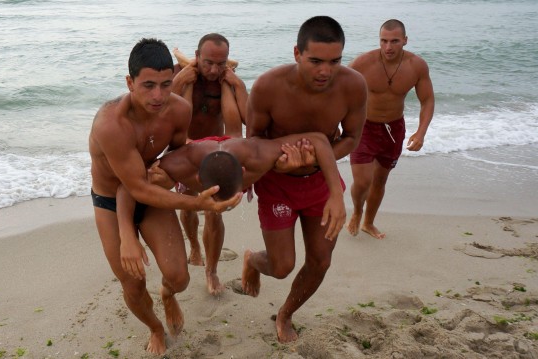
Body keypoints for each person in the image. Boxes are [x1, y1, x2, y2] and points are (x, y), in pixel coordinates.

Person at [88, 38, 242, 355]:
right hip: (110, 200)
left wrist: (207, 180)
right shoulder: (111, 125)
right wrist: (196, 203)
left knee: (179, 277)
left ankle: (168, 296)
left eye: (165, 85)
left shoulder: (178, 110)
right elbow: (133, 188)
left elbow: (175, 161)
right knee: (132, 283)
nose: (158, 96)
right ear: (129, 82)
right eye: (147, 86)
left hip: (150, 194)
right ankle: (156, 328)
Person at [241, 16, 368, 343]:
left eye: (334, 61)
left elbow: (352, 138)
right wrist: (280, 164)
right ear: (297, 52)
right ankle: (253, 260)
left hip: (321, 183)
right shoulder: (268, 86)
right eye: (315, 61)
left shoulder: (353, 85)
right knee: (282, 266)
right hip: (276, 183)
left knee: (320, 261)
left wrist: (318, 158)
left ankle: (285, 314)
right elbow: (252, 141)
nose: (325, 71)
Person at [116, 132, 347, 282]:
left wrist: (335, 194)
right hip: (196, 153)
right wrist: (127, 236)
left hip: (235, 148)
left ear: (246, 176)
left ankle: (212, 271)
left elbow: (318, 139)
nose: (222, 206)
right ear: (197, 179)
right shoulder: (178, 165)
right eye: (217, 199)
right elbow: (128, 187)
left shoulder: (258, 156)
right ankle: (198, 251)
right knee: (160, 182)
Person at [171, 33, 249, 295]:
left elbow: (251, 121)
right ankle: (193, 245)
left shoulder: (227, 81)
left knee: (214, 210)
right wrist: (180, 79)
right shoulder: (180, 76)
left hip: (218, 150)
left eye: (221, 64)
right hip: (187, 147)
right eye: (207, 64)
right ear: (196, 57)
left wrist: (238, 85)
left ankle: (211, 270)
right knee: (189, 203)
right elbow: (161, 113)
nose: (214, 70)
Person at [346, 19, 435, 239]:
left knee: (380, 180)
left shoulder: (417, 66)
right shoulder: (363, 63)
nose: (388, 47)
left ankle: (368, 222)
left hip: (393, 130)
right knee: (362, 181)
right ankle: (357, 211)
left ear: (405, 40)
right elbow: (337, 91)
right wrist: (338, 125)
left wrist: (421, 132)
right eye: (384, 41)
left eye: (394, 41)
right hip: (364, 127)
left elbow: (428, 100)